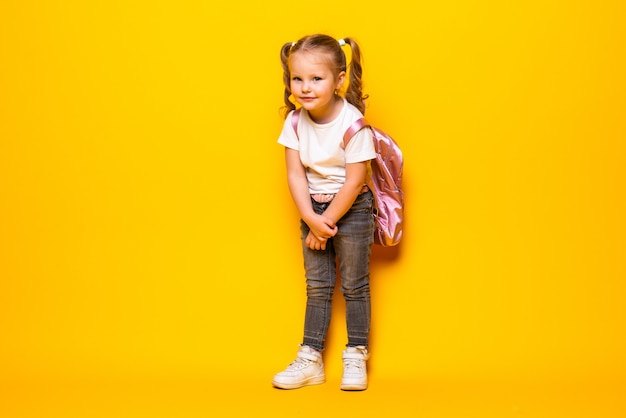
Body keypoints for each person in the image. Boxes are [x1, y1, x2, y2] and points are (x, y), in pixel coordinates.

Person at [272, 34, 376, 391]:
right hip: (313, 209)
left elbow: (354, 179)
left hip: (352, 208)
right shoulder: (296, 122)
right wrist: (311, 218)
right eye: (297, 78)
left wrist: (323, 223)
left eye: (316, 79)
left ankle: (356, 352)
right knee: (317, 287)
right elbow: (294, 173)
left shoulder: (353, 123)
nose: (304, 87)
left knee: (354, 285)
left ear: (339, 80)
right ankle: (311, 358)